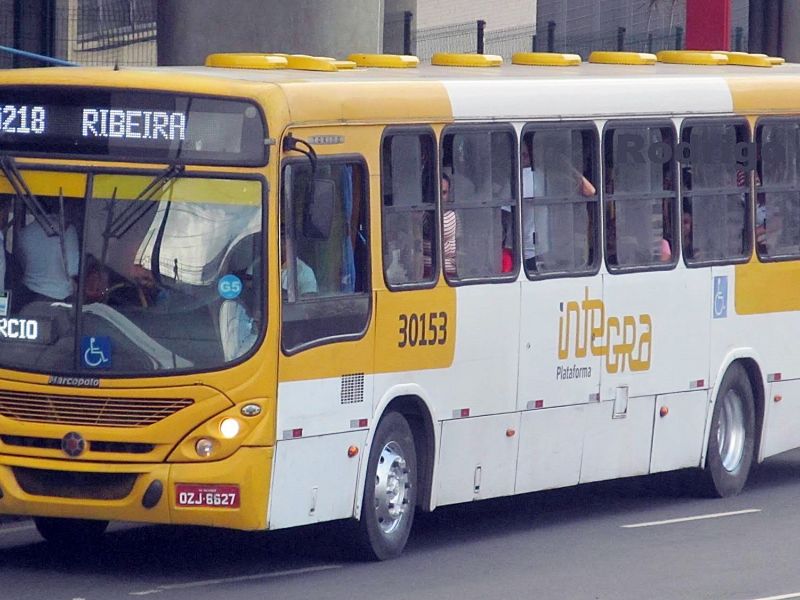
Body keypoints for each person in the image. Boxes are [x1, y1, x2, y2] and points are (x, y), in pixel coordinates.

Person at [17, 199, 79, 304]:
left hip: (28, 296)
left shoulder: (24, 233)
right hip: (59, 297)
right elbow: (72, 269)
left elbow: (21, 265)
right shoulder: (68, 231)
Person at [441, 173, 457, 276]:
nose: (440, 197)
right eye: (435, 192)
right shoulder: (421, 216)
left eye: (444, 193)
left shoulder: (451, 217)